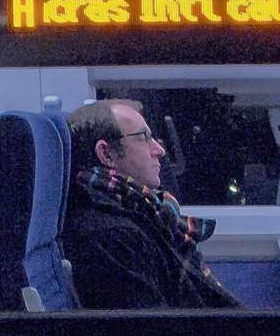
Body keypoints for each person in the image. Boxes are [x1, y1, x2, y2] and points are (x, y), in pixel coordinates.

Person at [62, 99, 241, 309]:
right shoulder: (111, 237)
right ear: (106, 154)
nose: (159, 150)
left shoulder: (145, 214)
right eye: (143, 137)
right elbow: (153, 334)